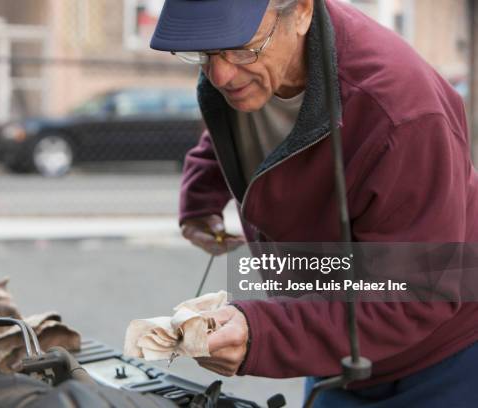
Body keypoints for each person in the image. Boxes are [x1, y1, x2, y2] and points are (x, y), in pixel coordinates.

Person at [150, 0, 478, 406]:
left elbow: (418, 290)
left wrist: (263, 332)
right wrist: (202, 195)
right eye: (203, 54)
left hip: (442, 362)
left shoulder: (401, 115)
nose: (220, 74)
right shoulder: (255, 63)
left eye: (241, 49)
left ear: (303, 11)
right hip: (329, 343)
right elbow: (235, 124)